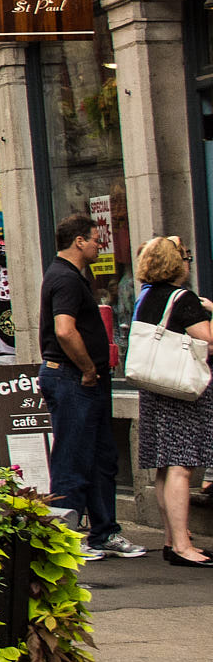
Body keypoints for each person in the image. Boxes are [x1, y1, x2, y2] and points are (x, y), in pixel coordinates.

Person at [43, 214, 147, 559]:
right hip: (73, 377)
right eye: (95, 239)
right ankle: (65, 539)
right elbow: (64, 329)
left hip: (88, 379)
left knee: (102, 456)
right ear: (79, 242)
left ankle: (104, 532)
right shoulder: (65, 279)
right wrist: (87, 368)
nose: (99, 245)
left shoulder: (73, 277)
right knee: (73, 458)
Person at [130, 237, 213, 567]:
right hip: (181, 390)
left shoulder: (146, 296)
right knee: (181, 466)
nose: (188, 261)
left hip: (156, 387)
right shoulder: (183, 298)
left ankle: (170, 539)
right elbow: (208, 342)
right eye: (184, 256)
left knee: (166, 466)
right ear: (175, 263)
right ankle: (182, 545)